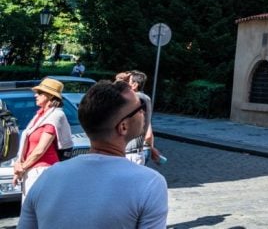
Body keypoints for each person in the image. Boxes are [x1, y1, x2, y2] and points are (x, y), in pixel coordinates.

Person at [17, 79, 168, 228]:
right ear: (123, 126)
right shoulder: (149, 183)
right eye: (139, 108)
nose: (143, 112)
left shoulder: (47, 177)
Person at [13, 78, 72, 199]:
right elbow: (28, 147)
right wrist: (19, 167)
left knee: (36, 213)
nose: (35, 95)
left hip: (43, 171)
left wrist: (22, 168)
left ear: (50, 96)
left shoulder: (55, 115)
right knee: (29, 213)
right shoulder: (40, 115)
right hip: (31, 170)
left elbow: (40, 149)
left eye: (40, 93)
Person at [118, 71, 160, 166]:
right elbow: (148, 129)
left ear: (134, 85)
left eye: (127, 81)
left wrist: (118, 82)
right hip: (136, 151)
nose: (124, 83)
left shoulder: (138, 98)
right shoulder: (144, 98)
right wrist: (151, 147)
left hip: (131, 153)